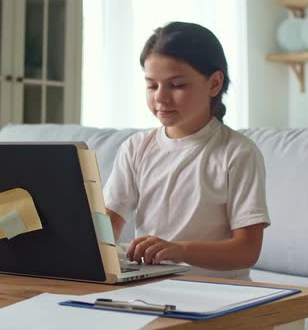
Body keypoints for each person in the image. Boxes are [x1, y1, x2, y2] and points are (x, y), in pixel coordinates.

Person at [103, 21, 270, 279]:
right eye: (152, 85)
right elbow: (108, 223)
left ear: (214, 84)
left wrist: (179, 251)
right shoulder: (136, 148)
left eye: (177, 85)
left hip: (220, 295)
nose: (161, 97)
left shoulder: (237, 152)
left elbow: (247, 250)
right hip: (150, 288)